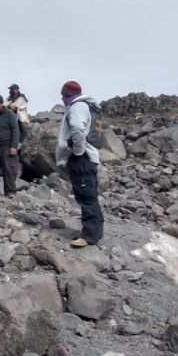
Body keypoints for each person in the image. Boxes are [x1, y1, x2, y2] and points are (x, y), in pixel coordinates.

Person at [55, 80, 104, 248]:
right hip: (88, 158)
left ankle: (89, 236)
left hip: (81, 159)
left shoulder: (77, 107)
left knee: (86, 195)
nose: (62, 98)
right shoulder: (88, 107)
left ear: (67, 94)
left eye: (63, 95)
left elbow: (77, 128)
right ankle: (96, 231)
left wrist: (77, 151)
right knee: (89, 194)